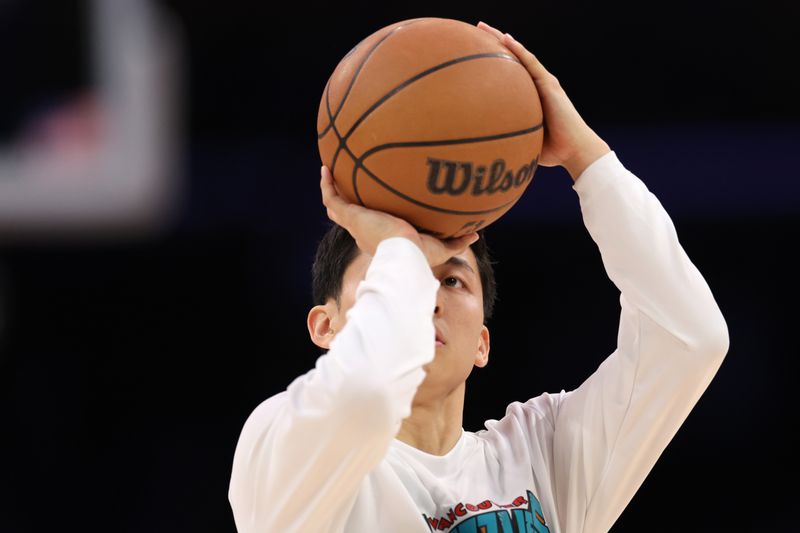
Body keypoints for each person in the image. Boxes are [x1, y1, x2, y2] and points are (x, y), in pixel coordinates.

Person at [228, 22, 729, 533]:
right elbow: (366, 397)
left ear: (482, 345)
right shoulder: (282, 448)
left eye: (452, 281)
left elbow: (690, 337)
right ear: (324, 327)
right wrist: (403, 249)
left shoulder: (541, 457)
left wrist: (586, 158)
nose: (426, 295)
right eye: (395, 273)